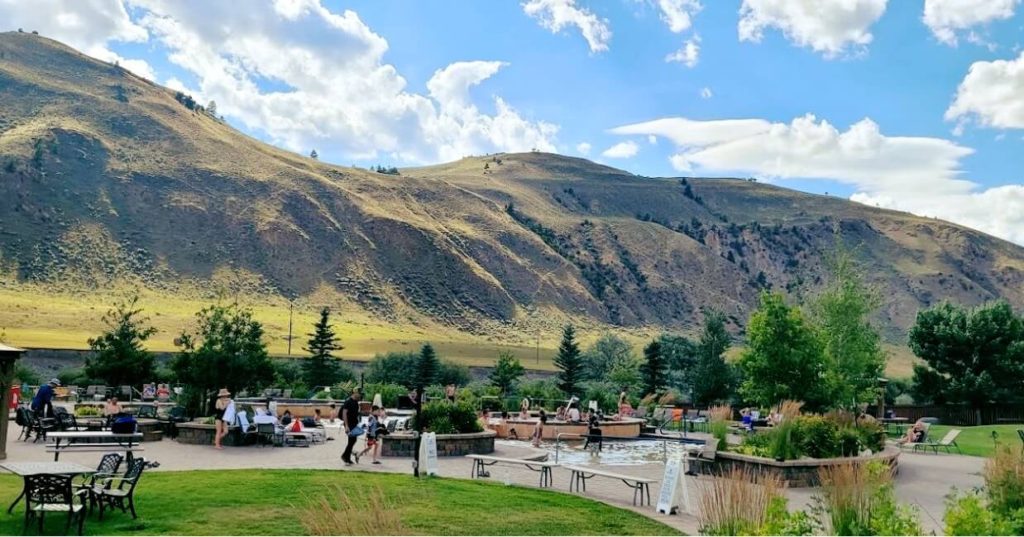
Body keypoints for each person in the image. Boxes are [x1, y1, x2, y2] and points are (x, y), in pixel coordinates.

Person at [341, 388, 362, 465]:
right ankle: (345, 457)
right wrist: (346, 426)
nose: (360, 395)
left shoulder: (356, 402)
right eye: (359, 393)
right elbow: (344, 413)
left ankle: (347, 457)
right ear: (354, 393)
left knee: (352, 441)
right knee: (351, 441)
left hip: (354, 424)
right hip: (349, 424)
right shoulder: (348, 402)